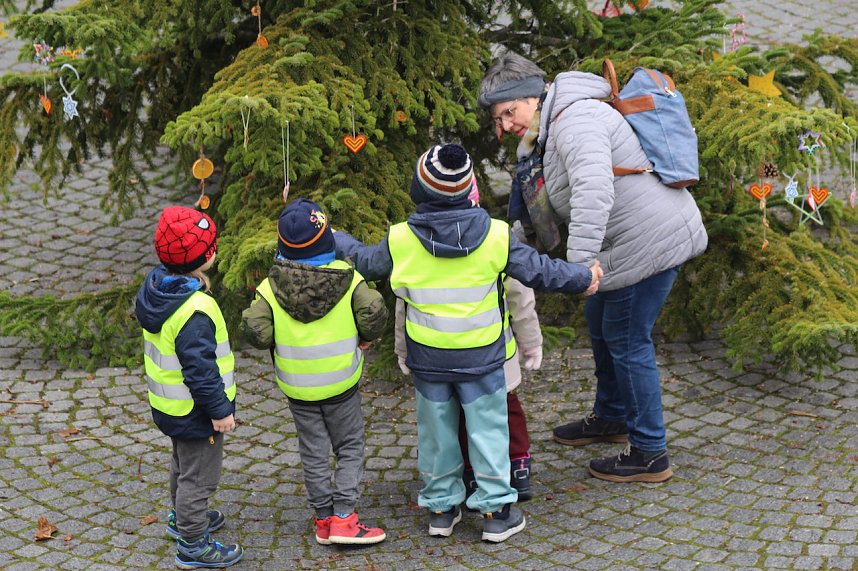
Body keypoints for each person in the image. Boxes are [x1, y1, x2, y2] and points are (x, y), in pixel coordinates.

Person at [335, 143, 602, 543]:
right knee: (488, 432)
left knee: (436, 434)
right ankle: (496, 512)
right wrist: (584, 277)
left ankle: (442, 509)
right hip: (482, 359)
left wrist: (339, 240)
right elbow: (540, 272)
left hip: (429, 359)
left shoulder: (401, 239)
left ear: (419, 189)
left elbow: (367, 263)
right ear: (469, 187)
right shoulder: (496, 236)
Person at [478, 51, 708, 483]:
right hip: (629, 241)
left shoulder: (573, 120)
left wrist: (580, 268)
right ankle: (613, 416)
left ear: (533, 96)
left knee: (626, 339)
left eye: (510, 111)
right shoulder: (551, 125)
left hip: (647, 241)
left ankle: (650, 453)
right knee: (600, 321)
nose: (506, 125)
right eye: (499, 118)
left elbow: (592, 191)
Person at [241, 198, 388, 546]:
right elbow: (374, 309)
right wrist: (367, 337)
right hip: (342, 383)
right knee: (350, 445)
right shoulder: (349, 280)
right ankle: (345, 519)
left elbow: (256, 330)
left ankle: (323, 519)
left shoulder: (269, 289)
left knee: (313, 450)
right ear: (328, 241)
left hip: (298, 388)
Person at [393, 181, 543, 503]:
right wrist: (531, 342)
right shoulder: (496, 240)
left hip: (442, 356)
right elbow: (522, 298)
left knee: (460, 413)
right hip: (492, 352)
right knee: (500, 409)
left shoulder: (418, 243)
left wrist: (403, 351)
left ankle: (487, 471)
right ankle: (510, 467)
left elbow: (403, 304)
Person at [135, 206, 243, 569]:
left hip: (170, 406)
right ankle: (193, 543)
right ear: (206, 255)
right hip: (198, 411)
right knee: (199, 477)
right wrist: (220, 412)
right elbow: (201, 371)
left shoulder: (158, 289)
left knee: (182, 465)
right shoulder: (194, 310)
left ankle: (180, 519)